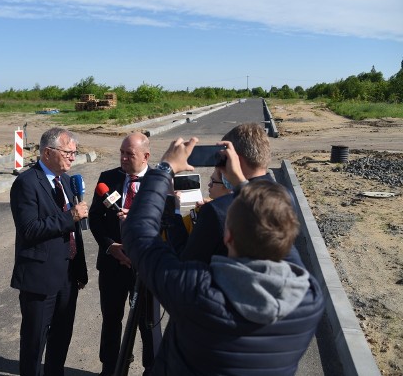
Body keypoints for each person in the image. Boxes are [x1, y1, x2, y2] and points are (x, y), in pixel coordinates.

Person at [121, 137, 325, 375]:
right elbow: (276, 229)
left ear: (228, 236)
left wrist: (165, 168)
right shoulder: (308, 296)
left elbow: (139, 231)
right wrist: (240, 181)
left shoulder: (198, 291)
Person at [9, 127, 89, 376]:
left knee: (61, 339)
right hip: (40, 279)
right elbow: (29, 230)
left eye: (75, 153)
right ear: (47, 153)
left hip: (67, 274)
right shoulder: (26, 183)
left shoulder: (65, 181)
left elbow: (75, 228)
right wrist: (70, 217)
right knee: (34, 343)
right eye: (68, 152)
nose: (73, 158)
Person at [89, 132, 154, 376]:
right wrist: (110, 246)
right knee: (111, 320)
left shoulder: (159, 181)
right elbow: (95, 219)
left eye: (130, 154)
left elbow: (168, 223)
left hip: (145, 268)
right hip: (112, 266)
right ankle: (112, 367)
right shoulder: (108, 178)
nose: (124, 158)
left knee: (147, 324)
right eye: (122, 152)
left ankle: (151, 367)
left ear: (146, 156)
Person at [179, 122, 278, 263]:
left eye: (224, 157)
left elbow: (186, 261)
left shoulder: (216, 210)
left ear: (236, 160)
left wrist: (174, 213)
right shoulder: (284, 196)